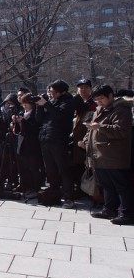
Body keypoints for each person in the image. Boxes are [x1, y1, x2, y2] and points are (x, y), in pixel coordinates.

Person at [81, 85, 134, 224]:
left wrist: (100, 127)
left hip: (114, 155)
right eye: (96, 100)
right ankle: (109, 209)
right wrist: (86, 140)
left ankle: (127, 213)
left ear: (111, 96)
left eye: (101, 99)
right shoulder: (99, 110)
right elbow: (92, 129)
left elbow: (121, 131)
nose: (99, 102)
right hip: (99, 155)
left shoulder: (122, 110)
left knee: (121, 185)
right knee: (106, 184)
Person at [37, 80, 76, 208]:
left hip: (59, 140)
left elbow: (59, 115)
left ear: (62, 92)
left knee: (63, 169)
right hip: (46, 139)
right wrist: (40, 106)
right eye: (50, 92)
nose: (51, 94)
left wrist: (46, 104)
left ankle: (69, 197)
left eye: (53, 92)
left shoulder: (68, 102)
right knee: (50, 170)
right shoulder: (51, 102)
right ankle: (54, 195)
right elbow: (39, 119)